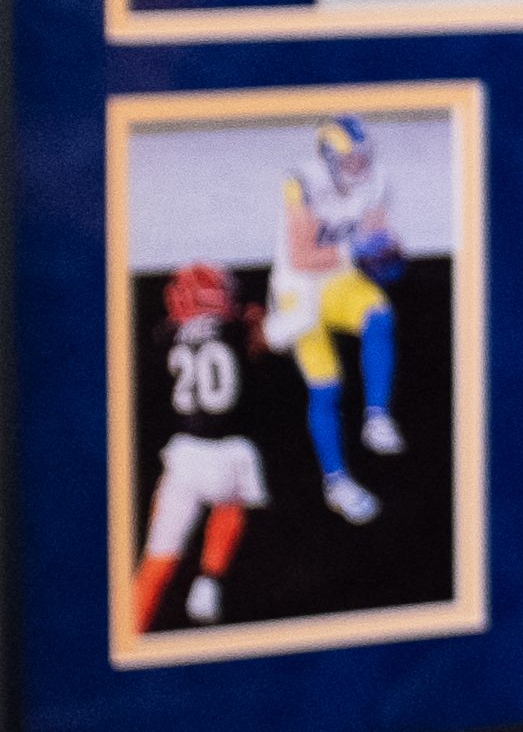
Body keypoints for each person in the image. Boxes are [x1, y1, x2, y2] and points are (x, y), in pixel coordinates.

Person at [259, 116, 399, 524]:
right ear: (328, 159)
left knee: (379, 315)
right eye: (350, 160)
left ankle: (376, 417)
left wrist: (385, 252)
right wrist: (358, 253)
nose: (359, 167)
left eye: (362, 158)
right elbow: (303, 256)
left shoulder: (374, 180)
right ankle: (336, 482)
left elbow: (378, 233)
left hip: (338, 280)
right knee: (326, 388)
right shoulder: (300, 181)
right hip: (298, 290)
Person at [130, 265, 262, 630]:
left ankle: (132, 624)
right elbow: (260, 345)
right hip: (230, 449)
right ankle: (210, 581)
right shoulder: (239, 327)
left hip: (185, 452)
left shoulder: (166, 334)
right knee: (232, 500)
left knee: (157, 561)